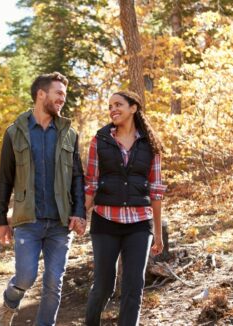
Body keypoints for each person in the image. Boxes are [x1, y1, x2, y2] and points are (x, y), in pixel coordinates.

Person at [0, 72, 86, 326]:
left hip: (60, 222)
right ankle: (9, 304)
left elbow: (78, 177)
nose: (62, 100)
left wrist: (79, 212)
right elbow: (5, 179)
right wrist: (0, 220)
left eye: (64, 96)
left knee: (54, 283)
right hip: (28, 219)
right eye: (58, 94)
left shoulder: (69, 134)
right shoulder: (15, 132)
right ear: (41, 94)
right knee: (25, 277)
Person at [84, 90, 167, 326]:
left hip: (140, 224)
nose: (113, 110)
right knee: (103, 285)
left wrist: (158, 234)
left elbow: (156, 190)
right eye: (110, 106)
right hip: (105, 221)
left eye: (118, 104)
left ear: (133, 108)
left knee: (134, 286)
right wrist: (81, 217)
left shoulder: (151, 145)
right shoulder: (99, 140)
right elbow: (90, 184)